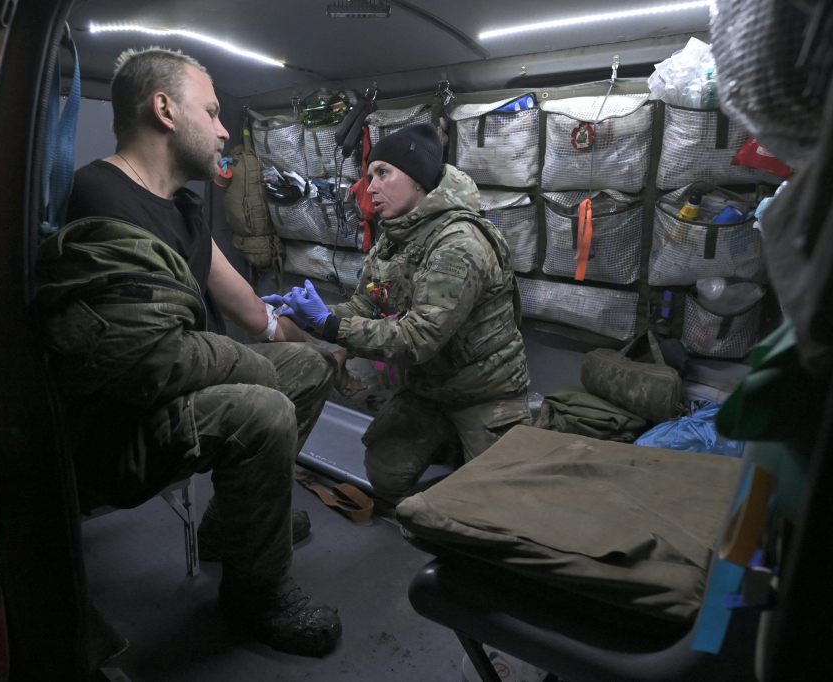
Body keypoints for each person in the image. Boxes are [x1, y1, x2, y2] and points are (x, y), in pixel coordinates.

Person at [35, 46, 341, 657]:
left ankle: (232, 527)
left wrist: (332, 348)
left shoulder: (184, 208)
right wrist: (254, 366)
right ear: (166, 110)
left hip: (184, 393)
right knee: (264, 409)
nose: (225, 129)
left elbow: (252, 313)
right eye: (214, 111)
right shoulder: (97, 200)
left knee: (306, 369)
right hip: (120, 429)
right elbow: (148, 363)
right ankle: (256, 594)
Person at [268, 123, 532, 501]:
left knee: (497, 505)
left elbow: (419, 339)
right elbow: (366, 305)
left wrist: (329, 326)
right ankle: (452, 445)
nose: (369, 187)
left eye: (382, 173)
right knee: (386, 476)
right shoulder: (396, 236)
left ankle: (486, 441)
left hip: (485, 393)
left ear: (418, 181)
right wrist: (303, 315)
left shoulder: (458, 244)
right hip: (428, 390)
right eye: (368, 175)